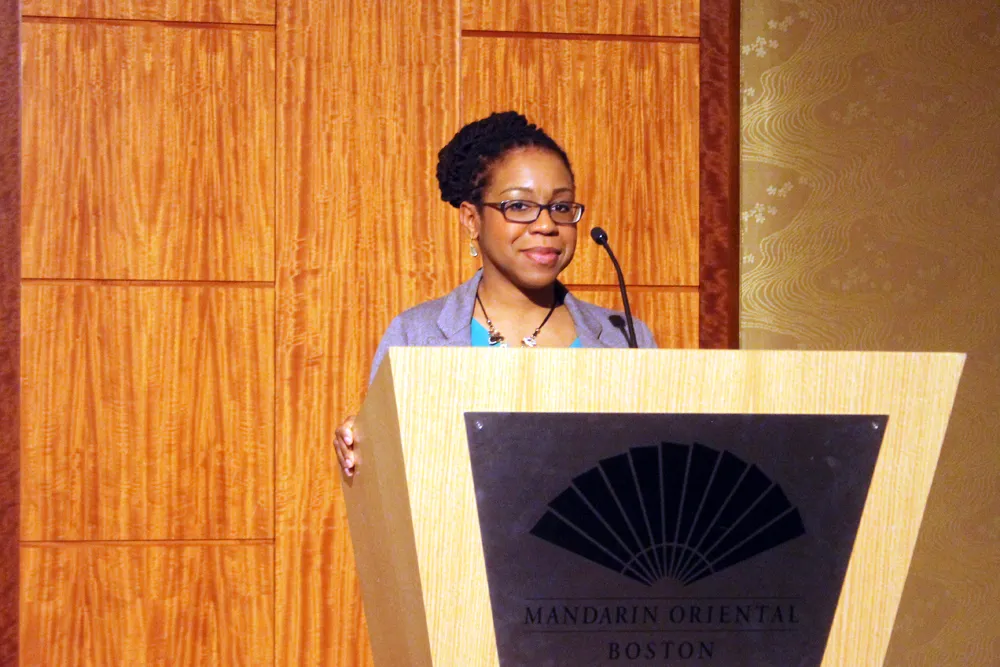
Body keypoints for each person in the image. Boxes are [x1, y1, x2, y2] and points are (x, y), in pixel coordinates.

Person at [334, 111, 657, 477]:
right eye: (519, 206)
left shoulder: (626, 337)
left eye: (561, 207)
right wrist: (362, 449)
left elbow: (656, 471)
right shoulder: (414, 335)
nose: (546, 224)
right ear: (472, 220)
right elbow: (392, 481)